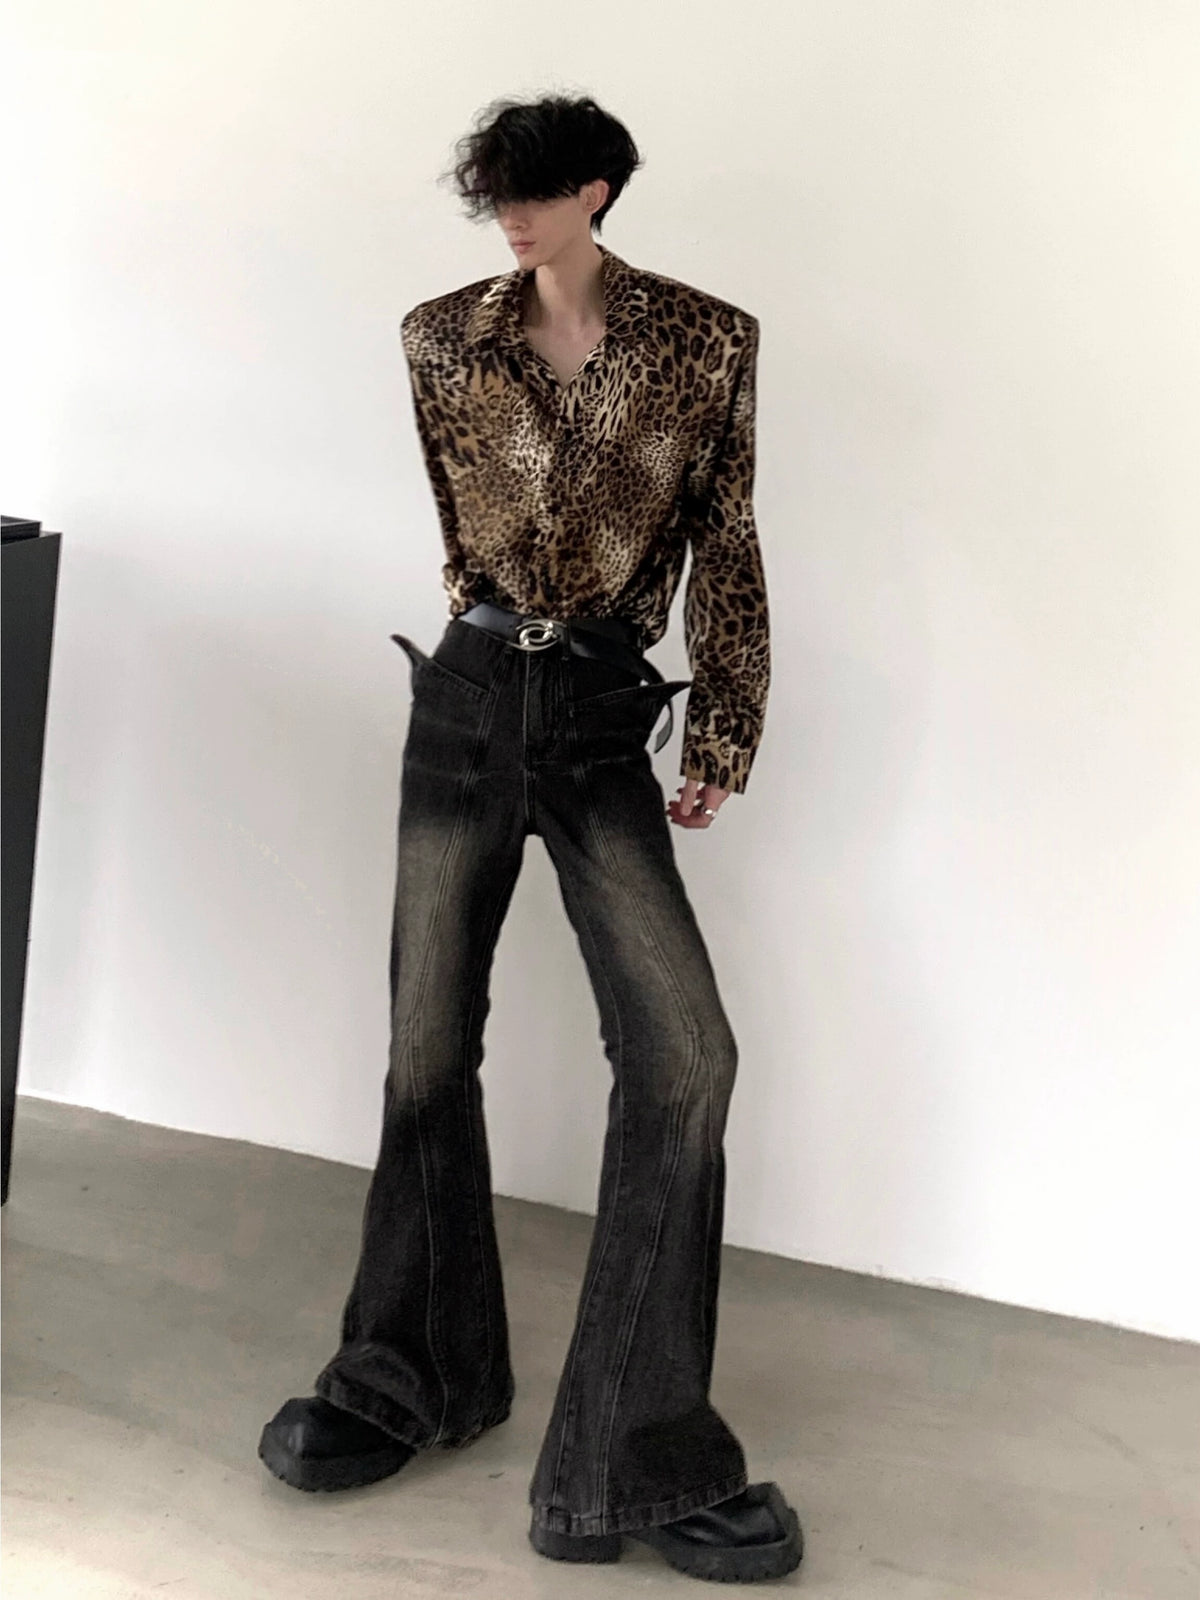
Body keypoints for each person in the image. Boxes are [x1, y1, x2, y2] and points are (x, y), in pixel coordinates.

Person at [257, 92, 802, 1584]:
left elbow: (728, 536)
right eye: (495, 191)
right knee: (425, 1048)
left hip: (605, 709)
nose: (509, 213)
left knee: (685, 1056)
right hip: (470, 691)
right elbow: (458, 526)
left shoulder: (708, 341)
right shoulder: (441, 337)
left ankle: (634, 1452)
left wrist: (724, 725)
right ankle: (410, 1375)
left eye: (536, 191)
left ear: (599, 190)